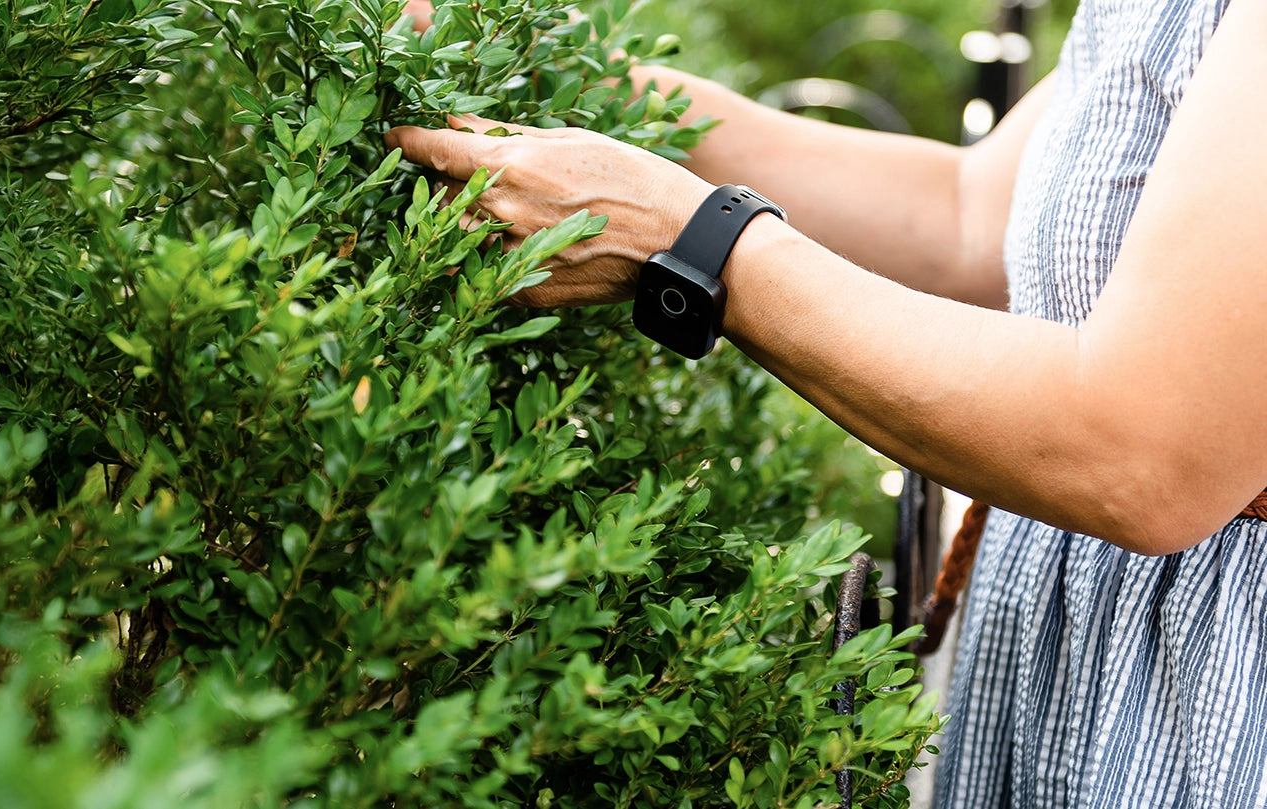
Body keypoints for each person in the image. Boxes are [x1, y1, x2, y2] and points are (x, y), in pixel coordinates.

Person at [389, 0, 1267, 806]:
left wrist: (699, 243)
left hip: (1203, 690)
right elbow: (966, 215)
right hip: (1070, 637)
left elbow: (1144, 454)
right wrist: (563, 70)